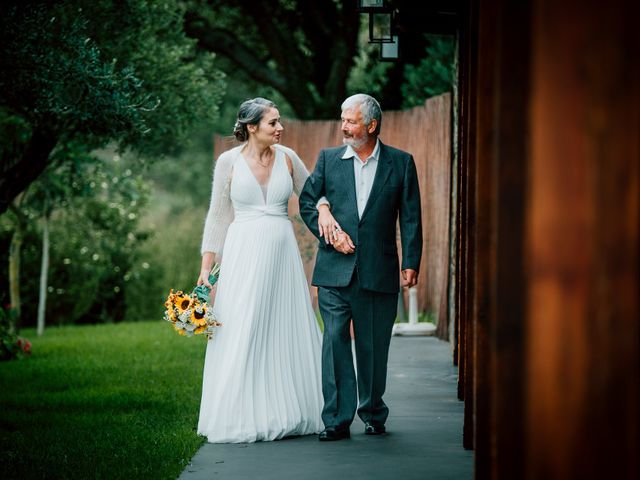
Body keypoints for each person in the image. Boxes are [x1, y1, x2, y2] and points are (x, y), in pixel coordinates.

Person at [196, 97, 337, 443]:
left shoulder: (288, 158)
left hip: (281, 254)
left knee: (282, 325)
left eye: (279, 121)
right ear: (251, 126)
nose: (280, 127)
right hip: (242, 251)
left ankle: (290, 408)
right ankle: (239, 411)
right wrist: (206, 269)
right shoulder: (228, 161)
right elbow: (217, 215)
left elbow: (313, 192)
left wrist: (323, 209)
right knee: (243, 325)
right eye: (273, 122)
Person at [299, 93, 423, 441]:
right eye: (343, 120)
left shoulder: (401, 163)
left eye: (351, 121)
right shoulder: (328, 159)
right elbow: (308, 201)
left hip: (379, 270)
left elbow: (411, 217)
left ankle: (372, 411)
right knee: (335, 340)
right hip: (334, 271)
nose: (344, 127)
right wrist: (329, 234)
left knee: (372, 345)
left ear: (371, 125)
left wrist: (411, 261)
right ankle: (336, 419)